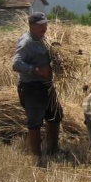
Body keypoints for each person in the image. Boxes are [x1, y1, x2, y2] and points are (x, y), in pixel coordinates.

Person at [12, 12, 63, 167]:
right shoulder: (27, 42)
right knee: (35, 122)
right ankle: (37, 157)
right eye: (41, 25)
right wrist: (36, 70)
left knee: (55, 115)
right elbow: (16, 63)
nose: (44, 27)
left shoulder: (43, 39)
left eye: (45, 24)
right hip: (32, 88)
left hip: (46, 86)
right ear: (31, 26)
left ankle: (52, 149)